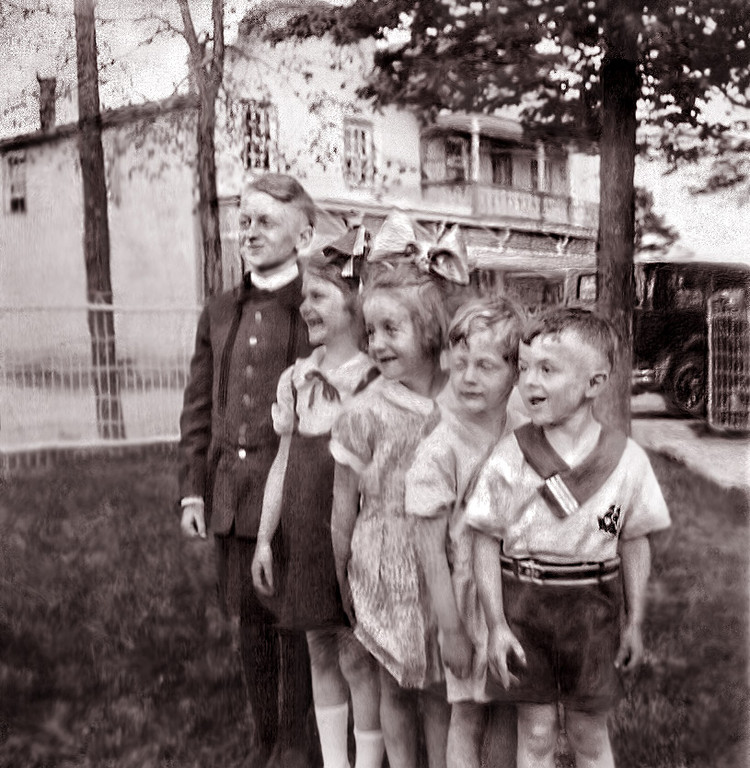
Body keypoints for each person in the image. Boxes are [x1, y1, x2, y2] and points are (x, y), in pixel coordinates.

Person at [464, 307, 671, 768]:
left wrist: (634, 620)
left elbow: (634, 540)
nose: (529, 382)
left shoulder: (627, 461)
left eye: (547, 369)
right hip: (525, 606)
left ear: (594, 384)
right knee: (535, 734)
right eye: (523, 368)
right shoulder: (510, 456)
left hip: (592, 611)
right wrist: (496, 624)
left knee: (589, 734)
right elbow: (484, 540)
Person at [177, 173, 317, 768]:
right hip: (233, 498)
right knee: (251, 622)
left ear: (303, 235)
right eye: (246, 220)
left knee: (299, 623)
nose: (250, 232)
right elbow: (198, 406)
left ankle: (299, 743)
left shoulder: (321, 305)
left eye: (267, 222)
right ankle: (264, 738)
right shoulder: (219, 310)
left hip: (300, 495)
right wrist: (192, 493)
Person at [250, 243, 385, 768]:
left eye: (319, 295)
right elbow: (283, 462)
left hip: (354, 535)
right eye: (303, 296)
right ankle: (335, 761)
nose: (305, 306)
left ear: (354, 302)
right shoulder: (297, 380)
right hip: (305, 536)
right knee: (319, 649)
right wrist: (265, 537)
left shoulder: (374, 380)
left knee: (357, 656)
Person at [329, 256, 459, 768]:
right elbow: (343, 509)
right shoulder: (363, 412)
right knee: (395, 685)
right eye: (370, 330)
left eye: (391, 329)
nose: (377, 343)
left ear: (427, 330)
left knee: (439, 688)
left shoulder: (460, 403)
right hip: (383, 565)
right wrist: (341, 577)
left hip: (446, 565)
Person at [404, 297, 525, 768]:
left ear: (516, 372)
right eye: (461, 364)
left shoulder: (523, 433)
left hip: (516, 597)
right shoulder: (442, 447)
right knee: (469, 714)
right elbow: (429, 548)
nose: (469, 376)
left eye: (486, 366)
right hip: (466, 602)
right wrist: (451, 629)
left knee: (511, 712)